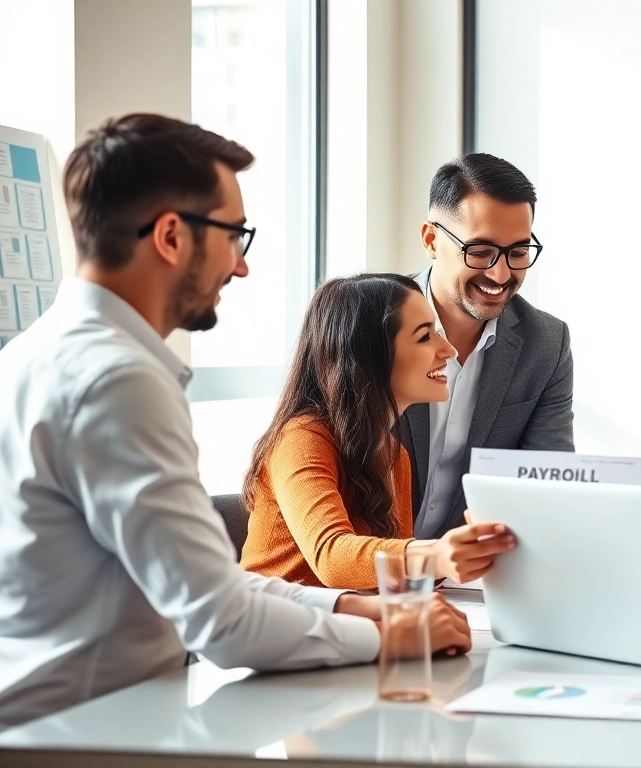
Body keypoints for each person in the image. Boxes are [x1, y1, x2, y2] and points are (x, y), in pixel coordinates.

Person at [0, 114, 469, 729]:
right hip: (89, 730)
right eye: (233, 236)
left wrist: (368, 614)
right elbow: (221, 620)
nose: (241, 266)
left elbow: (218, 585)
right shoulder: (117, 379)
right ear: (170, 236)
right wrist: (393, 636)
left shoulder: (35, 354)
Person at [240, 274, 517, 590]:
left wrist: (472, 553)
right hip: (275, 631)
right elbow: (332, 556)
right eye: (425, 337)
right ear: (369, 354)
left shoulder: (392, 452)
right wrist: (436, 556)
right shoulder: (301, 439)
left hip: (346, 629)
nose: (449, 350)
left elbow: (387, 575)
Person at [400, 154, 574, 541]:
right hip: (353, 572)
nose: (501, 274)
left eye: (518, 252)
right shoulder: (367, 322)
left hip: (466, 580)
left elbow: (550, 488)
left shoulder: (546, 343)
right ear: (431, 240)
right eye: (479, 251)